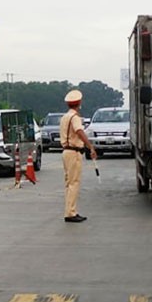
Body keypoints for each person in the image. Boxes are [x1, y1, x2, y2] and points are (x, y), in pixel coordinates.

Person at [59, 89, 97, 223]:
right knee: (74, 183)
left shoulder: (65, 117)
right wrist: (90, 146)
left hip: (66, 151)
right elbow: (79, 131)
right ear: (79, 103)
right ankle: (71, 213)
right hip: (74, 152)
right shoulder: (75, 118)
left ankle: (69, 210)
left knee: (69, 183)